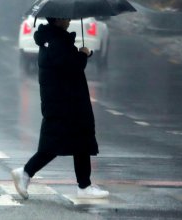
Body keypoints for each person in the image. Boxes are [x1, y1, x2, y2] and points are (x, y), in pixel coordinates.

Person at [11, 18, 109, 200]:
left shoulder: (54, 39)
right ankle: (25, 172)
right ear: (57, 20)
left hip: (65, 100)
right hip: (64, 101)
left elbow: (66, 64)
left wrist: (78, 54)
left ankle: (84, 185)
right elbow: (71, 66)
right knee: (54, 144)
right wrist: (83, 54)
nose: (69, 20)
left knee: (80, 141)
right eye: (65, 18)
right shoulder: (56, 42)